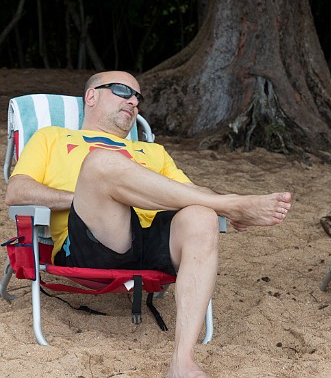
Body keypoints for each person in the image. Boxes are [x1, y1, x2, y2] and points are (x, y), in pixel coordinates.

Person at [4, 71, 292, 378]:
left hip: (153, 241)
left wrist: (209, 201)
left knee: (202, 215)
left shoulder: (152, 151)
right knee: (102, 162)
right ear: (91, 96)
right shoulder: (52, 138)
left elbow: (195, 194)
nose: (133, 101)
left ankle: (182, 361)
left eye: (137, 97)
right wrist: (88, 193)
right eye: (121, 91)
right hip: (96, 239)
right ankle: (232, 205)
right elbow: (17, 191)